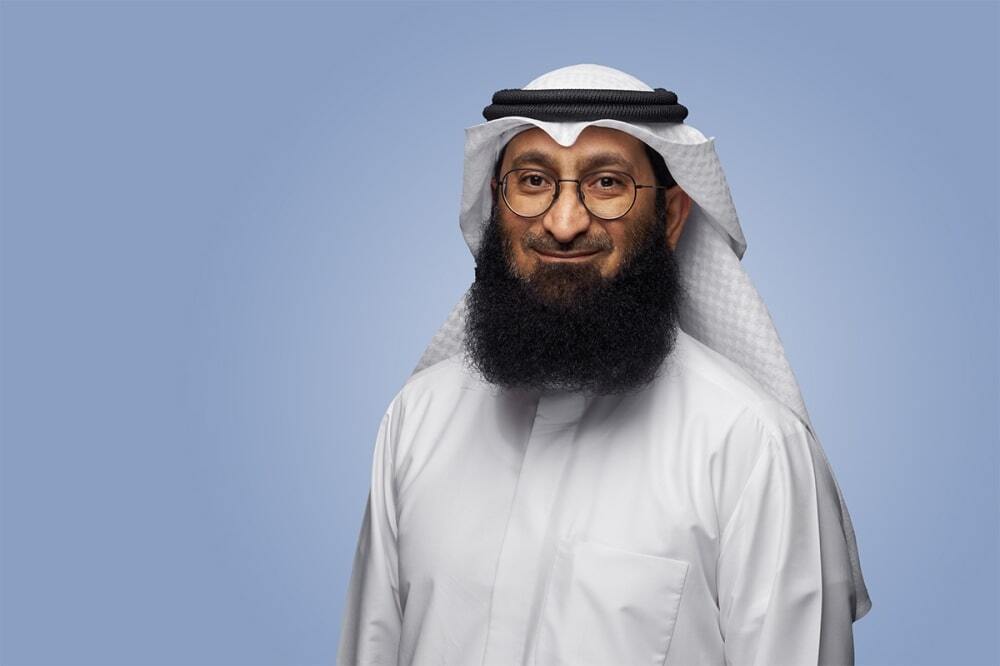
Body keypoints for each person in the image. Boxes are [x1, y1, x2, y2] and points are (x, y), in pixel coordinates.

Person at [336, 64, 872, 666]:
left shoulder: (751, 446)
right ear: (496, 205)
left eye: (607, 183)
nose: (564, 223)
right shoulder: (416, 419)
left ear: (671, 217)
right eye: (533, 181)